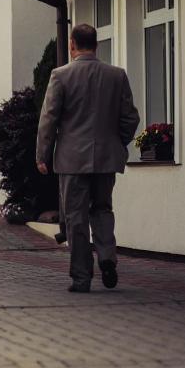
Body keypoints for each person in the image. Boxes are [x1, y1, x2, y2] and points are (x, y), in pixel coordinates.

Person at [36, 23, 140, 293]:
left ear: (72, 45)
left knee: (76, 218)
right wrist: (117, 142)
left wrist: (42, 154)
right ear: (97, 45)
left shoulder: (60, 75)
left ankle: (82, 278)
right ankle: (107, 258)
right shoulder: (117, 75)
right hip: (106, 158)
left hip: (72, 160)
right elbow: (130, 117)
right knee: (103, 209)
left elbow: (49, 119)